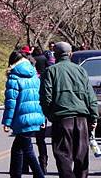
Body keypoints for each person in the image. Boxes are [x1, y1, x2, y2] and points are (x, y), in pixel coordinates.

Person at [40, 41, 98, 178]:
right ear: (70, 54)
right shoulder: (80, 70)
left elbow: (45, 97)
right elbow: (90, 95)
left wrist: (50, 115)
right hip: (81, 119)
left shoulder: (50, 71)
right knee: (81, 156)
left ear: (55, 54)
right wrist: (93, 117)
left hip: (61, 118)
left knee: (63, 156)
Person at [2, 50, 46, 178]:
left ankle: (39, 175)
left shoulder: (13, 77)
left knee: (25, 150)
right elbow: (40, 98)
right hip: (35, 117)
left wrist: (7, 122)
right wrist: (42, 117)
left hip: (23, 119)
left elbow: (11, 102)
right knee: (19, 149)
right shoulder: (34, 75)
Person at [31, 47, 51, 173]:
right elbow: (45, 98)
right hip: (40, 114)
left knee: (25, 141)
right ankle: (43, 163)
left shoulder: (22, 80)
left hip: (26, 117)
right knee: (40, 141)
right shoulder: (42, 80)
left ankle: (27, 165)